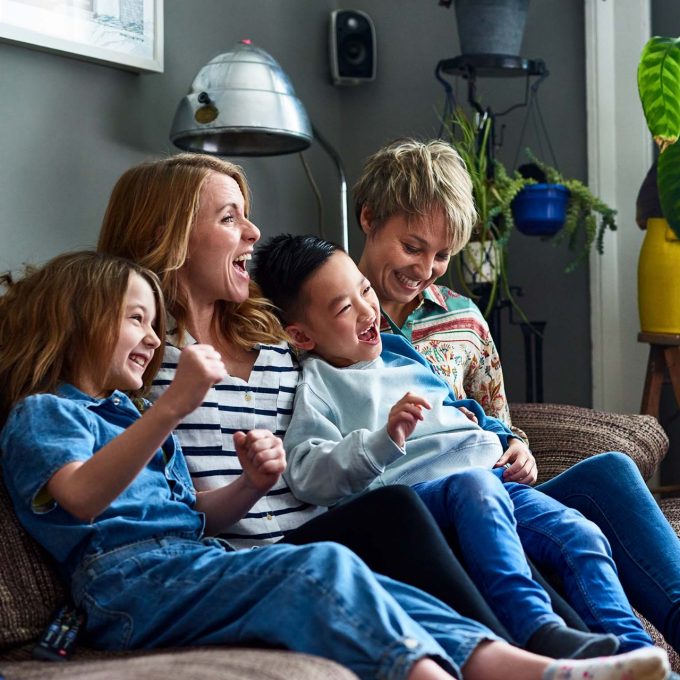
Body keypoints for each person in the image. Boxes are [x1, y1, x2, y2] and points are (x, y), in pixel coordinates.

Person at [1, 252, 670, 680]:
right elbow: (82, 499)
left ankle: (537, 666)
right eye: (135, 320)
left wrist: (249, 484)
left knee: (371, 578)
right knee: (325, 564)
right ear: (76, 320)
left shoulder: (132, 419)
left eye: (154, 322)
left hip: (193, 560)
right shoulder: (46, 414)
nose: (151, 337)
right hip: (128, 587)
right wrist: (171, 409)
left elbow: (192, 515)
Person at [96, 152, 518, 643]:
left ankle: (550, 647)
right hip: (240, 559)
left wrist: (481, 425)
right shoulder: (137, 362)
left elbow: (369, 373)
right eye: (230, 218)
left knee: (459, 508)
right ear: (166, 237)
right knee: (402, 509)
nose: (253, 232)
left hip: (323, 532)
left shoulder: (275, 336)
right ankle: (518, 653)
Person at [252, 232, 653, 657]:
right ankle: (535, 627)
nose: (367, 310)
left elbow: (459, 408)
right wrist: (382, 440)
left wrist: (503, 438)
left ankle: (639, 656)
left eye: (365, 290)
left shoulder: (400, 353)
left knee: (580, 534)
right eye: (345, 307)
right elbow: (308, 472)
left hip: (494, 481)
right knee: (474, 487)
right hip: (431, 497)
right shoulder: (319, 386)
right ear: (301, 336)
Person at [352, 137, 680, 653]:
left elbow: (496, 420)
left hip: (493, 487)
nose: (425, 268)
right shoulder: (324, 315)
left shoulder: (462, 317)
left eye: (442, 255)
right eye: (412, 247)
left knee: (611, 469)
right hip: (421, 501)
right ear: (369, 218)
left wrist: (518, 448)